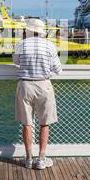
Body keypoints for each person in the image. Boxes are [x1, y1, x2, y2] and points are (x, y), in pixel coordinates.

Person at [13, 19, 62, 170]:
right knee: (44, 123)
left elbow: (16, 62)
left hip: (25, 85)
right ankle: (41, 159)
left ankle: (28, 159)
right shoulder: (49, 45)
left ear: (28, 31)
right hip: (43, 85)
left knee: (27, 123)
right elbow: (58, 69)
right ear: (41, 31)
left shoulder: (20, 45)